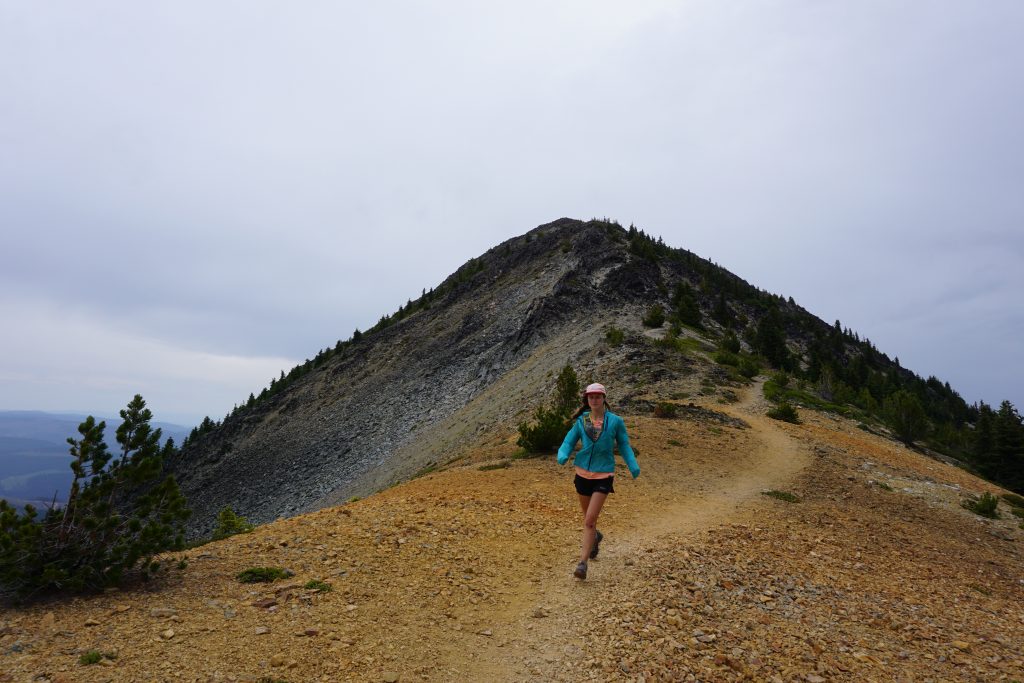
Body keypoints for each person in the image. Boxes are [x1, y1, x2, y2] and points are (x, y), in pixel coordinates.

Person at [557, 382, 640, 580]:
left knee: (589, 520)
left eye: (598, 396)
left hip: (604, 475)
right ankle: (595, 537)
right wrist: (563, 453)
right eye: (590, 397)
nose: (594, 400)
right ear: (587, 400)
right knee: (589, 521)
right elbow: (569, 440)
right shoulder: (582, 421)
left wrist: (632, 464)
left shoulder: (615, 421)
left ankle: (582, 563)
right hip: (582, 474)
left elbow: (624, 444)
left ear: (604, 398)